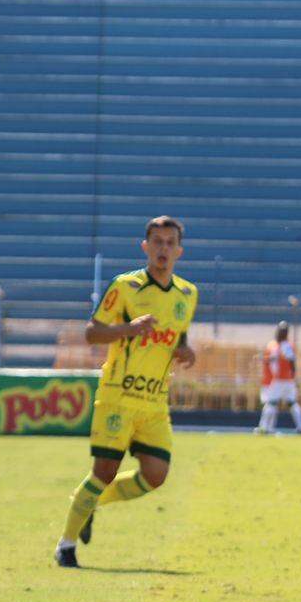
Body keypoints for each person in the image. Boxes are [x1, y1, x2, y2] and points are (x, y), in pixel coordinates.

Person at [54, 216, 197, 568]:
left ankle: (90, 504)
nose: (163, 249)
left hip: (154, 401)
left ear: (179, 251)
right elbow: (91, 333)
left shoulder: (188, 294)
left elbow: (178, 339)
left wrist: (185, 351)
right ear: (145, 247)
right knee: (103, 471)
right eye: (157, 242)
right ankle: (66, 545)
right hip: (118, 394)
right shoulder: (125, 286)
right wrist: (128, 330)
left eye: (169, 243)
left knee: (156, 475)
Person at [256, 322, 301, 434]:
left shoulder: (284, 345)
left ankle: (263, 427)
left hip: (280, 380)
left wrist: (265, 359)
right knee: (292, 403)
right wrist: (293, 376)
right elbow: (289, 362)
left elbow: (290, 361)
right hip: (288, 381)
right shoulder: (283, 345)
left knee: (271, 403)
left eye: (281, 331)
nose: (279, 333)